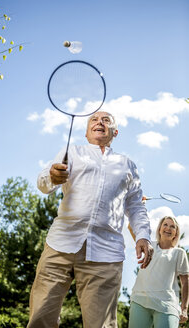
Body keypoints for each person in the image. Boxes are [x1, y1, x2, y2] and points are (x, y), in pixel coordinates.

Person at [27, 111, 153, 328]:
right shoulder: (72, 152)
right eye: (94, 120)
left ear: (115, 132)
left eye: (106, 120)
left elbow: (135, 206)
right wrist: (52, 176)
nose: (99, 122)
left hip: (106, 254)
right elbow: (43, 182)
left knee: (101, 325)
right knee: (40, 318)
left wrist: (143, 235)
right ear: (86, 133)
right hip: (60, 245)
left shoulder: (127, 165)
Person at [129, 216, 189, 328]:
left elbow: (185, 282)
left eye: (173, 227)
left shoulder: (179, 253)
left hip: (167, 305)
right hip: (140, 300)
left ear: (176, 233)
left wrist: (184, 309)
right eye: (165, 224)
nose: (168, 228)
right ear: (159, 229)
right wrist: (140, 203)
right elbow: (131, 227)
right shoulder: (148, 245)